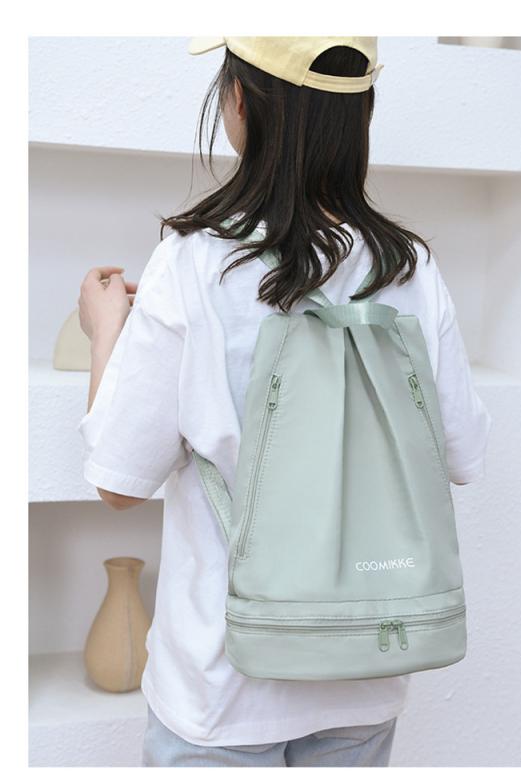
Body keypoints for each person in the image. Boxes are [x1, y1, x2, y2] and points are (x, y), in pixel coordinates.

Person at [77, 37, 492, 768]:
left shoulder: (196, 260)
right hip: (366, 677)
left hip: (220, 691)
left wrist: (105, 330)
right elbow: (462, 454)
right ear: (361, 111)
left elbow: (119, 481)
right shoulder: (410, 268)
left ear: (240, 100)